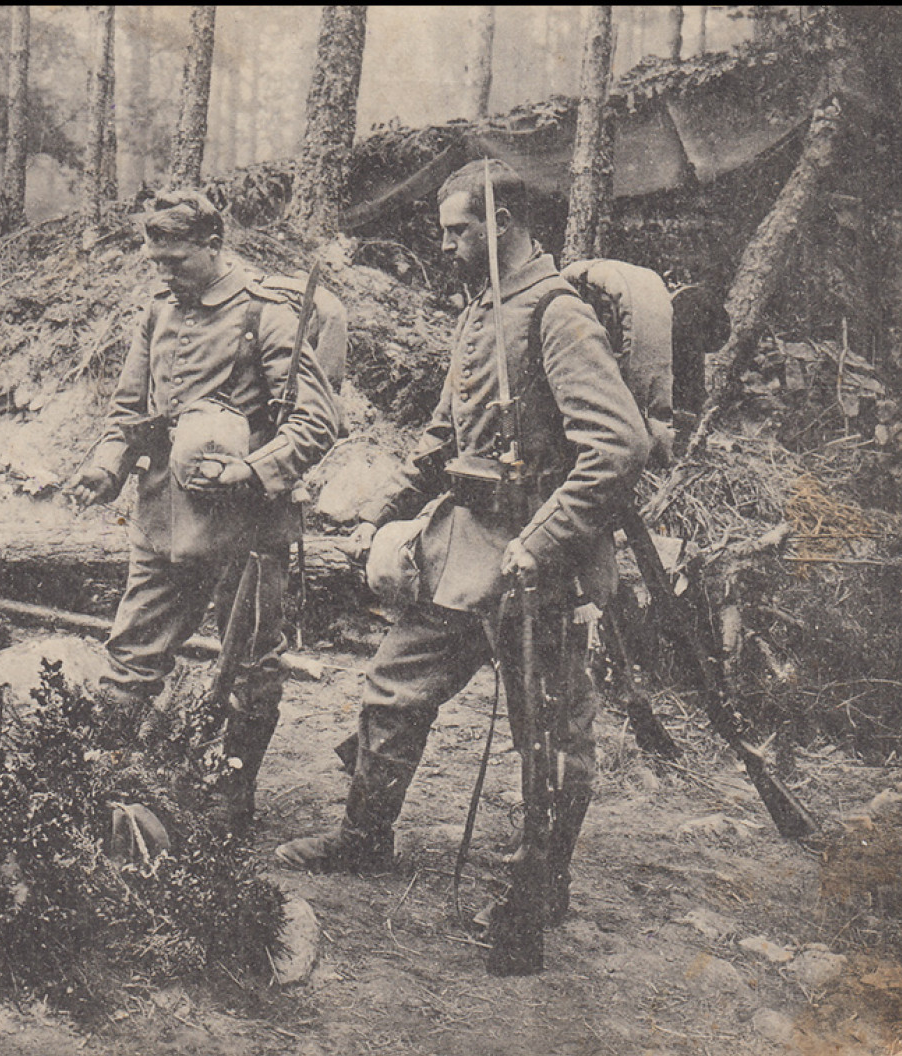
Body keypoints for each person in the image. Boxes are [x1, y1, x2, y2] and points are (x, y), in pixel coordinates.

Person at [276, 160, 651, 929]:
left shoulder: (554, 313)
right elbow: (445, 436)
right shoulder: (480, 311)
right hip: (461, 542)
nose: (444, 246)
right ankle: (361, 837)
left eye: (457, 231)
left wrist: (544, 542)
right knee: (391, 687)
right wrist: (381, 512)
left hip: (537, 557)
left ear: (501, 224)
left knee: (544, 726)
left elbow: (616, 446)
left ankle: (540, 886)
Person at [64, 189, 343, 828]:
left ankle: (231, 797)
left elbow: (317, 420)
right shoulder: (159, 309)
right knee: (131, 648)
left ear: (214, 246)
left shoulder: (266, 314)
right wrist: (105, 466)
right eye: (155, 261)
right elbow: (130, 410)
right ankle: (103, 779)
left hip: (245, 524)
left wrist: (253, 468)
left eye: (178, 260)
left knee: (249, 662)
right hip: (162, 515)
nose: (164, 273)